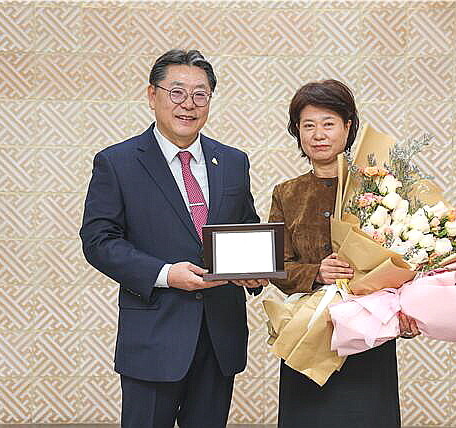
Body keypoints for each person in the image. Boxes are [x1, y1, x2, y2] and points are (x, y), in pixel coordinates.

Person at [80, 49, 267, 428]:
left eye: (200, 94)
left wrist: (254, 272)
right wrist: (165, 274)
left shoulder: (233, 161)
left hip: (219, 336)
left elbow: (245, 225)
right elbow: (99, 240)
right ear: (153, 95)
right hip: (154, 337)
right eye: (177, 92)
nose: (189, 104)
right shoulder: (117, 162)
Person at [268, 80, 420, 427]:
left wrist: (409, 310)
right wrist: (316, 273)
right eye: (308, 125)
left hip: (369, 336)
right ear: (297, 132)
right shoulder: (287, 194)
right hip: (307, 334)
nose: (318, 134)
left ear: (348, 127)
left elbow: (409, 254)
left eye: (328, 123)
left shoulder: (381, 187)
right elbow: (276, 266)